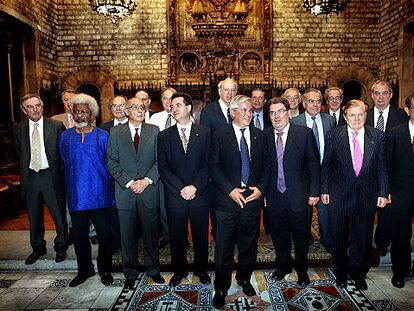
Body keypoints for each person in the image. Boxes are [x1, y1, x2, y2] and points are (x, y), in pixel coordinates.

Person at [321, 99, 388, 290]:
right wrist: (324, 189)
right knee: (338, 236)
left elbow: (382, 167)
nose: (357, 118)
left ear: (366, 115)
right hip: (339, 193)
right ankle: (341, 272)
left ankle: (359, 273)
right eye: (352, 115)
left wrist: (383, 192)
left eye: (360, 114)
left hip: (367, 194)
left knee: (362, 236)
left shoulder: (378, 136)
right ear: (345, 117)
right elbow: (326, 165)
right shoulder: (334, 135)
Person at [210, 95, 269, 309]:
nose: (248, 114)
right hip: (227, 201)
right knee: (224, 247)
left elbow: (267, 167)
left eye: (250, 111)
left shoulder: (260, 136)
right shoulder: (219, 136)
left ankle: (244, 279)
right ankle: (222, 287)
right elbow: (214, 166)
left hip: (252, 199)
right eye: (243, 110)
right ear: (233, 113)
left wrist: (261, 188)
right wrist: (229, 190)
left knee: (248, 245)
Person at [107, 97, 165, 289]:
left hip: (149, 191)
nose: (140, 110)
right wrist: (131, 182)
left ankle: (153, 270)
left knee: (150, 235)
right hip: (126, 193)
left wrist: (146, 181)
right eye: (135, 107)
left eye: (142, 107)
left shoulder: (154, 131)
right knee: (127, 236)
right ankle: (130, 272)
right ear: (126, 111)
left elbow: (160, 161)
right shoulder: (115, 133)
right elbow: (111, 163)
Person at [265, 97, 320, 286]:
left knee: (301, 237)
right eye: (272, 112)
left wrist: (314, 192)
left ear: (288, 112)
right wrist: (263, 194)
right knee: (279, 235)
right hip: (274, 196)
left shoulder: (304, 134)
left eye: (280, 111)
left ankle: (302, 270)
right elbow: (263, 169)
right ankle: (283, 267)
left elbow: (313, 164)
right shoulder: (264, 136)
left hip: (300, 196)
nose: (276, 116)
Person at [59, 93, 113, 287]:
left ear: (92, 115)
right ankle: (85, 270)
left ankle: (104, 268)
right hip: (77, 196)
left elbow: (109, 164)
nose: (79, 115)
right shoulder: (65, 137)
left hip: (101, 195)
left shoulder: (103, 136)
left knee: (105, 235)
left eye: (84, 111)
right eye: (76, 111)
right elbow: (65, 161)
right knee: (80, 237)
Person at [157, 92, 211, 286]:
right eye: (172, 106)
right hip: (175, 194)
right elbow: (163, 167)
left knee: (200, 235)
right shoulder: (163, 136)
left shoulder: (204, 132)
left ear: (189, 108)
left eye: (178, 105)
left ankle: (201, 270)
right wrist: (181, 188)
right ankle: (179, 271)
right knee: (177, 236)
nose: (174, 108)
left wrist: (195, 187)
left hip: (200, 193)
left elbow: (208, 164)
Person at [12, 94, 67, 265]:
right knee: (34, 216)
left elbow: (64, 153)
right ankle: (37, 248)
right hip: (31, 177)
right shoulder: (18, 130)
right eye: (30, 107)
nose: (35, 109)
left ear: (42, 107)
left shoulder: (56, 126)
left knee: (58, 215)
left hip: (51, 175)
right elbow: (20, 153)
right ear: (24, 110)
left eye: (38, 105)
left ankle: (61, 247)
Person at [366, 79, 409, 257]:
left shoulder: (401, 116)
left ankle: (383, 242)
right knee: (367, 210)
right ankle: (367, 245)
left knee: (388, 210)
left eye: (385, 93)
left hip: (393, 171)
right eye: (377, 93)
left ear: (391, 95)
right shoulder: (363, 115)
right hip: (368, 171)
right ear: (372, 95)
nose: (380, 97)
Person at [291, 88, 336, 251]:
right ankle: (305, 238)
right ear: (304, 104)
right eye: (311, 101)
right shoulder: (295, 122)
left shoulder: (330, 120)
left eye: (318, 101)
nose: (315, 105)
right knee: (305, 209)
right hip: (304, 173)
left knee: (325, 206)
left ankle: (327, 239)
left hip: (326, 170)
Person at [200, 77, 238, 240]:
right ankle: (218, 234)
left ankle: (236, 235)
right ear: (220, 91)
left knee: (237, 202)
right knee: (218, 205)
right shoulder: (208, 111)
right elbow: (206, 142)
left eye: (233, 90)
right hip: (218, 167)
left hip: (237, 166)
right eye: (226, 90)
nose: (229, 93)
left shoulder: (240, 108)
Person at [387, 92, 414, 288]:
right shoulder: (396, 133)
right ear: (407, 110)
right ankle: (400, 271)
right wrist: (387, 191)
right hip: (401, 192)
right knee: (401, 235)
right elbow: (387, 165)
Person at [99, 95, 130, 254]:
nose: (118, 109)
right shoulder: (103, 129)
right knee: (112, 214)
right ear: (110, 109)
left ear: (128, 107)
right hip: (110, 179)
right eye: (114, 106)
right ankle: (115, 243)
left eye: (122, 105)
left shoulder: (138, 126)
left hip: (132, 180)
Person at [148, 87, 177, 249]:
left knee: (178, 206)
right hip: (159, 168)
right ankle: (167, 235)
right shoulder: (154, 119)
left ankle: (180, 237)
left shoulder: (184, 117)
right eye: (165, 98)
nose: (168, 101)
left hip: (178, 170)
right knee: (163, 206)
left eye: (171, 98)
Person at [52, 89, 77, 244]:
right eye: (66, 99)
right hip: (63, 168)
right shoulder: (55, 120)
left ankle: (91, 231)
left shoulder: (88, 117)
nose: (69, 102)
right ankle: (71, 229)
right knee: (67, 201)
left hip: (83, 167)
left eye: (72, 99)